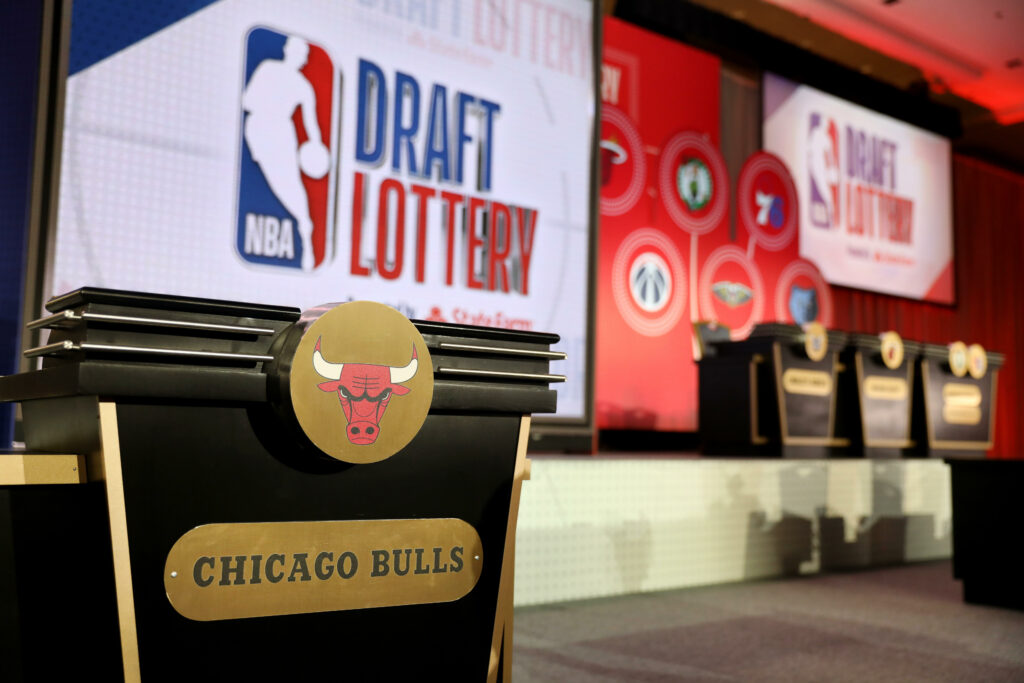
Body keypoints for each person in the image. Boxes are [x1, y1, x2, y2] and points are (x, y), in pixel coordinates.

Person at [242, 36, 326, 271]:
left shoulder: (304, 86)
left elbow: (312, 126)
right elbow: (247, 100)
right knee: (278, 183)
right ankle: (305, 226)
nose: (300, 57)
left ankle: (306, 231)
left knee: (290, 185)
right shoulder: (268, 68)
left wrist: (316, 148)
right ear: (288, 51)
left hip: (281, 133)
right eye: (297, 51)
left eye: (303, 55)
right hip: (259, 129)